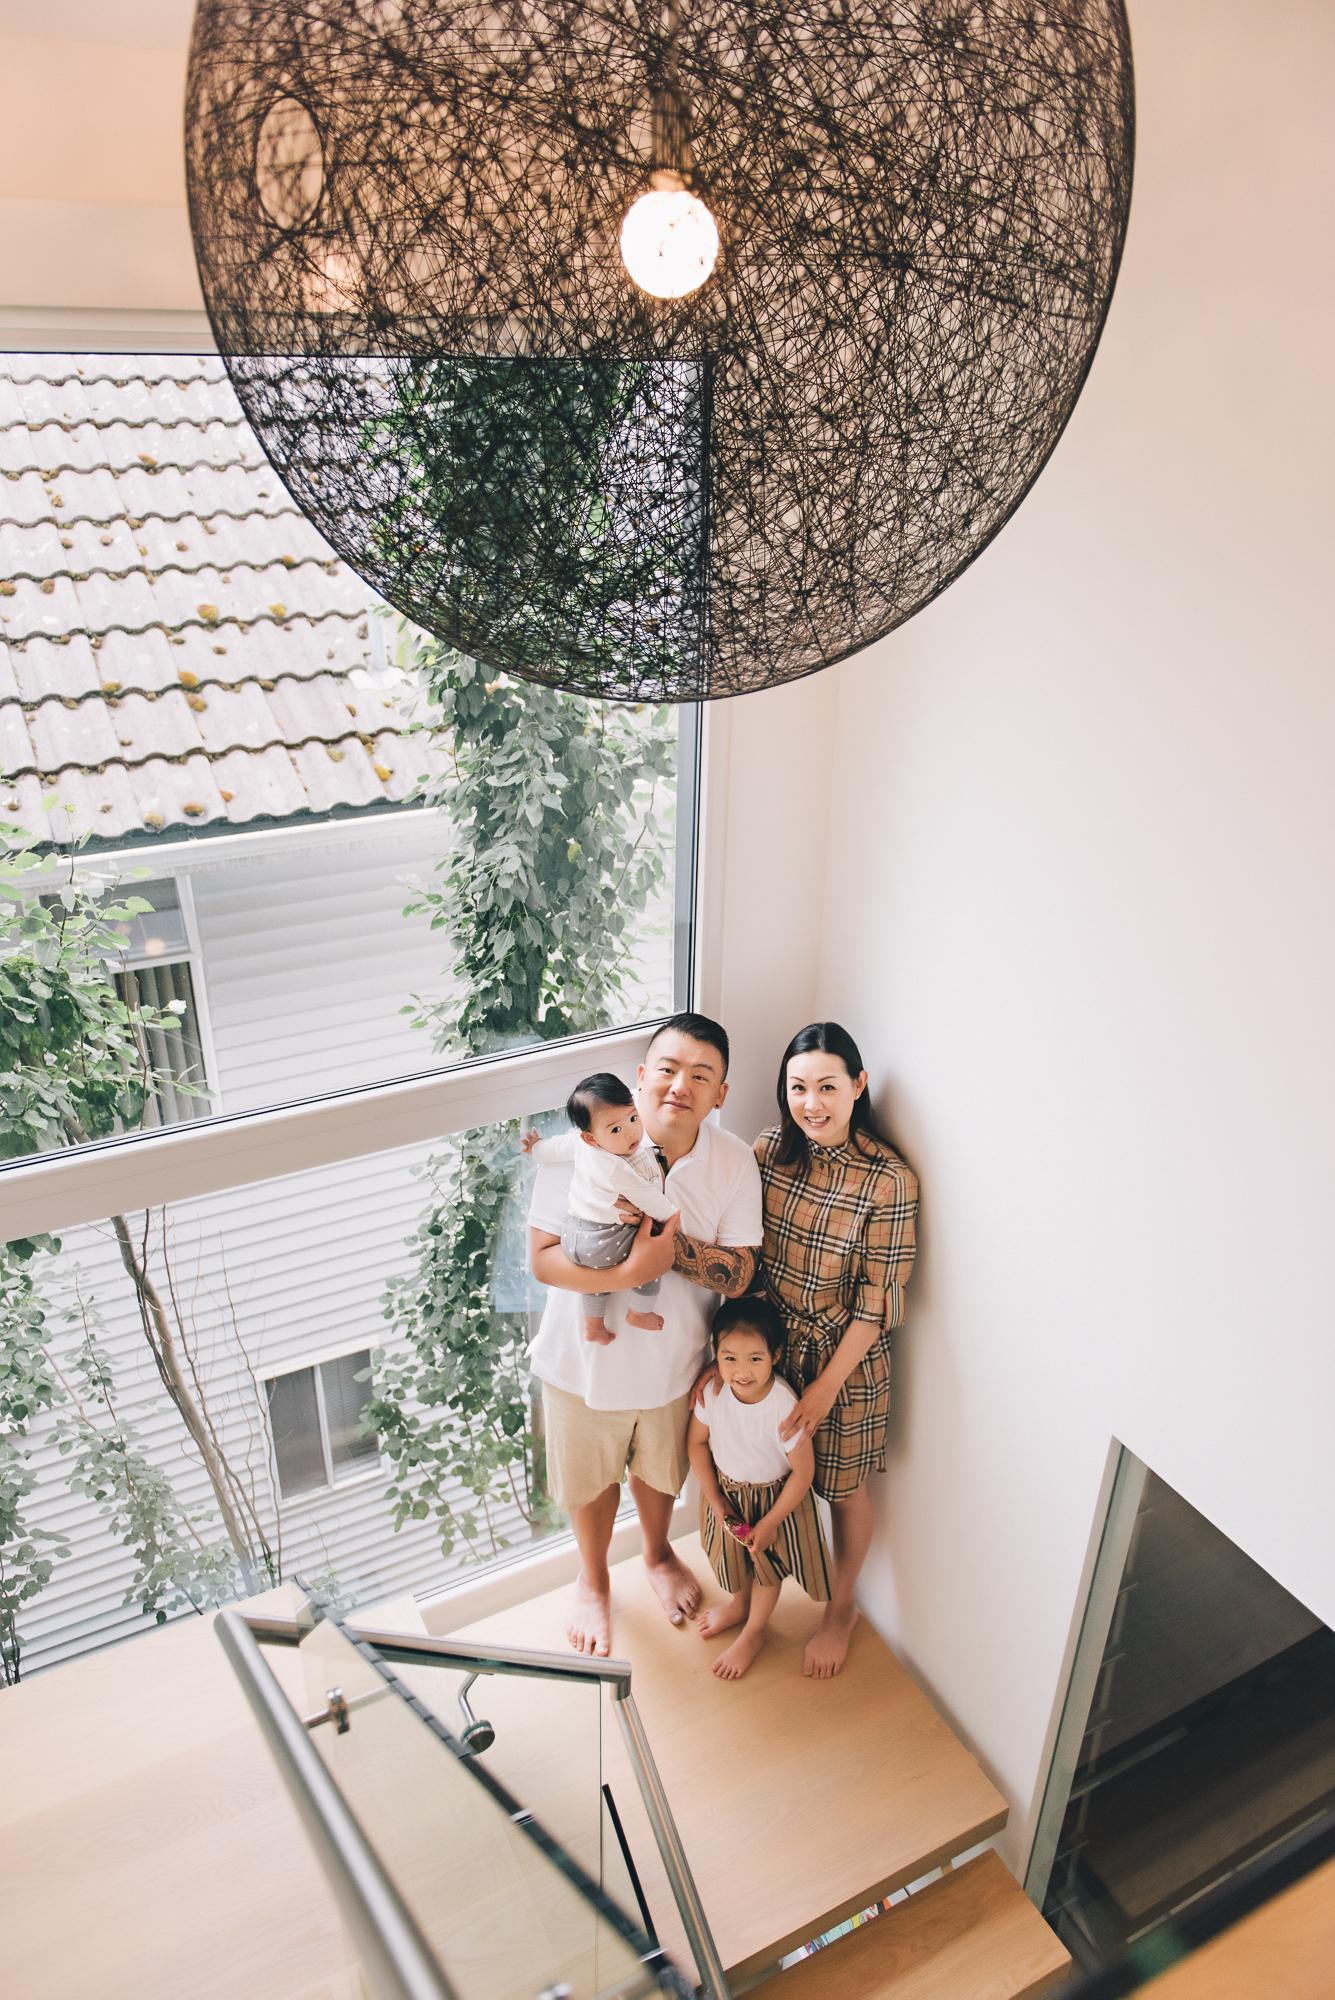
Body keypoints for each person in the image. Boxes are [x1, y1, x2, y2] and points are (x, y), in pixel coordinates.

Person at [528, 1013, 763, 1657]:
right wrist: (633, 1269)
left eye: (700, 1075)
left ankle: (657, 1556)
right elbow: (542, 1259)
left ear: (720, 1093)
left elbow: (740, 1273)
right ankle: (594, 1580)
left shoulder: (735, 1162)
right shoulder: (580, 1147)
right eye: (666, 1068)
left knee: (658, 1474)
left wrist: (672, 1250)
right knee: (591, 1477)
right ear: (639, 1079)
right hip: (581, 1359)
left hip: (675, 1361)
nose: (678, 1085)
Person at [756, 1022, 918, 1680]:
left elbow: (876, 1304)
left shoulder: (889, 1181)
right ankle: (757, 1604)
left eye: (826, 1086)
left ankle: (840, 1610)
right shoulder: (769, 1150)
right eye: (797, 1088)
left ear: (857, 1085)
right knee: (763, 1479)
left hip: (844, 1362)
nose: (811, 1103)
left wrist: (823, 1388)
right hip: (768, 1351)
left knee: (841, 1490)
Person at [688, 1296, 832, 1681]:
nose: (741, 1370)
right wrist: (716, 1500)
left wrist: (771, 1521)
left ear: (776, 1355)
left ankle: (754, 1633)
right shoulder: (714, 1392)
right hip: (727, 1494)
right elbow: (696, 1443)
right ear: (715, 1354)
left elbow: (802, 1473)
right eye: (729, 1358)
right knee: (733, 1559)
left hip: (773, 1499)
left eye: (755, 1358)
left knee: (765, 1567)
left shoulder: (784, 1405)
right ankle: (738, 1606)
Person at [522, 1074, 680, 1344]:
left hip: (574, 1236)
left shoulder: (581, 1143)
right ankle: (640, 1312)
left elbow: (556, 1148)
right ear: (592, 1138)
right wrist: (671, 1216)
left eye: (633, 1118)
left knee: (594, 1283)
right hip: (605, 1239)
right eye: (616, 1129)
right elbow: (646, 1196)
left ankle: (593, 1325)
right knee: (651, 1263)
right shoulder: (616, 1166)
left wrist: (536, 1149)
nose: (631, 1132)